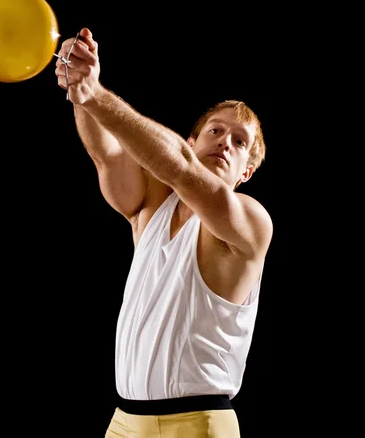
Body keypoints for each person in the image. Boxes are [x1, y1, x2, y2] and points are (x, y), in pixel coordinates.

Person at [54, 28, 273, 438]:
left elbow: (182, 168)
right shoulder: (153, 206)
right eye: (215, 130)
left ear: (246, 172)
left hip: (197, 423)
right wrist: (78, 90)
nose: (225, 142)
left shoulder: (249, 222)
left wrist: (96, 93)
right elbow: (107, 154)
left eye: (240, 141)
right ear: (193, 138)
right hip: (123, 420)